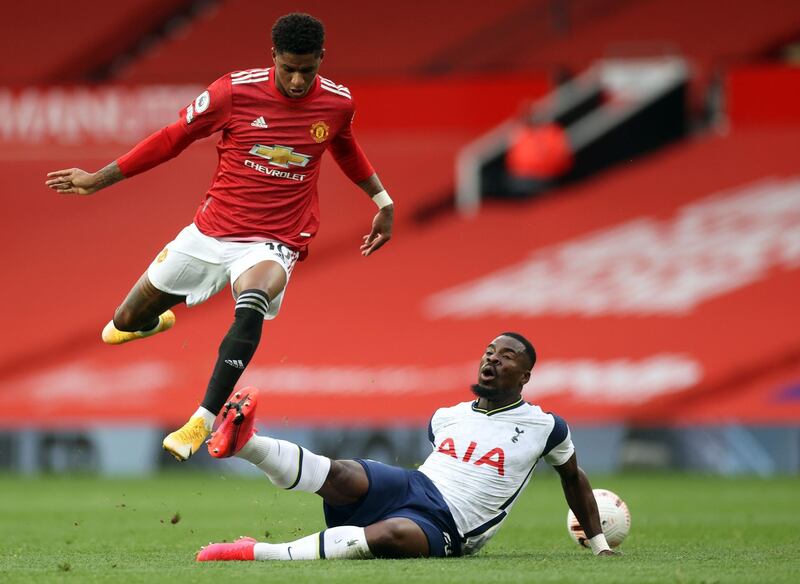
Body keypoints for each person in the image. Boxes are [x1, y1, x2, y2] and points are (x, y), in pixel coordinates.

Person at [44, 13, 394, 461]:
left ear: (321, 59)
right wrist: (98, 179)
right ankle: (152, 321)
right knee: (124, 322)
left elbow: (343, 144)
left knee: (252, 305)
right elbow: (172, 138)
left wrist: (382, 201)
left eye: (308, 69)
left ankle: (202, 421)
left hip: (276, 239)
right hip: (210, 233)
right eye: (288, 68)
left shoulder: (338, 102)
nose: (298, 79)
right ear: (273, 57)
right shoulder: (233, 91)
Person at [197, 333, 618, 561]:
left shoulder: (546, 426)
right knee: (343, 472)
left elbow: (572, 477)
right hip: (416, 486)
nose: (492, 359)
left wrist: (599, 545)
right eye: (489, 352)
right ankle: (245, 443)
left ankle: (256, 552)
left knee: (391, 535)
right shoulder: (447, 415)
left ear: (525, 376)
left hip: (453, 527)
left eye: (506, 357)